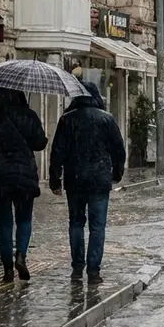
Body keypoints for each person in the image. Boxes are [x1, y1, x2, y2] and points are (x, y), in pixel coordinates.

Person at [50, 81, 126, 284]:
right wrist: (117, 173)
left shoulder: (67, 120)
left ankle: (77, 268)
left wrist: (54, 179)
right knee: (97, 226)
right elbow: (118, 149)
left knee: (75, 223)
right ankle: (93, 271)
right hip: (99, 180)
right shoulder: (106, 119)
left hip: (74, 180)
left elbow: (57, 151)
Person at [0, 89, 48, 283]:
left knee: (4, 223)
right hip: (24, 176)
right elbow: (40, 143)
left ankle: (8, 269)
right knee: (24, 219)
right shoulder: (29, 116)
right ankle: (21, 256)